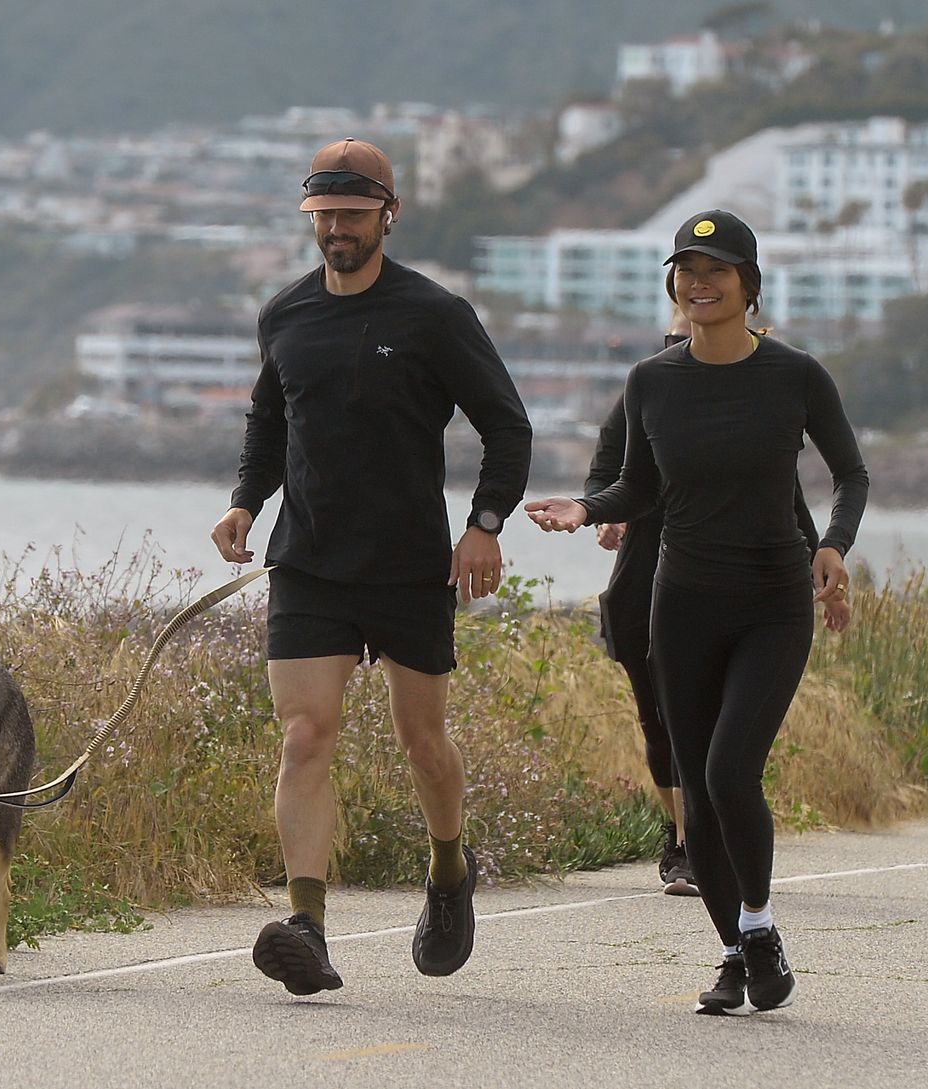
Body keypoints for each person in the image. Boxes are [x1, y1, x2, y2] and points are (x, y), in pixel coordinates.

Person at [526, 209, 867, 1016]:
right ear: (673, 286)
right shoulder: (652, 380)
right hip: (679, 604)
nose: (699, 282)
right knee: (696, 785)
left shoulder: (795, 376)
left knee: (727, 771)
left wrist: (834, 545)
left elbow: (850, 474)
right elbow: (638, 486)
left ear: (749, 285)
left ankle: (759, 922)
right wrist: (584, 506)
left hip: (773, 602)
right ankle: (735, 951)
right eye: (686, 269)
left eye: (716, 269)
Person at [211, 138, 532, 995]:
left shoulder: (434, 315)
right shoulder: (284, 315)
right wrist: (247, 500)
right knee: (305, 733)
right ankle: (307, 926)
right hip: (309, 564)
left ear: (388, 213)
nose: (337, 231)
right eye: (323, 217)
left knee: (424, 743)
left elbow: (507, 427)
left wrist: (485, 525)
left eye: (352, 215)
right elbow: (270, 421)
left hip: (406, 569)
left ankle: (449, 869)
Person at [587, 309, 831, 897]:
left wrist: (823, 564)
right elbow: (609, 476)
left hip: (745, 584)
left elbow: (788, 501)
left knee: (726, 739)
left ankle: (715, 847)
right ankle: (683, 842)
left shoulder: (768, 393)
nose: (686, 343)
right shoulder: (648, 386)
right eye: (675, 334)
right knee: (662, 721)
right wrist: (599, 513)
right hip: (652, 579)